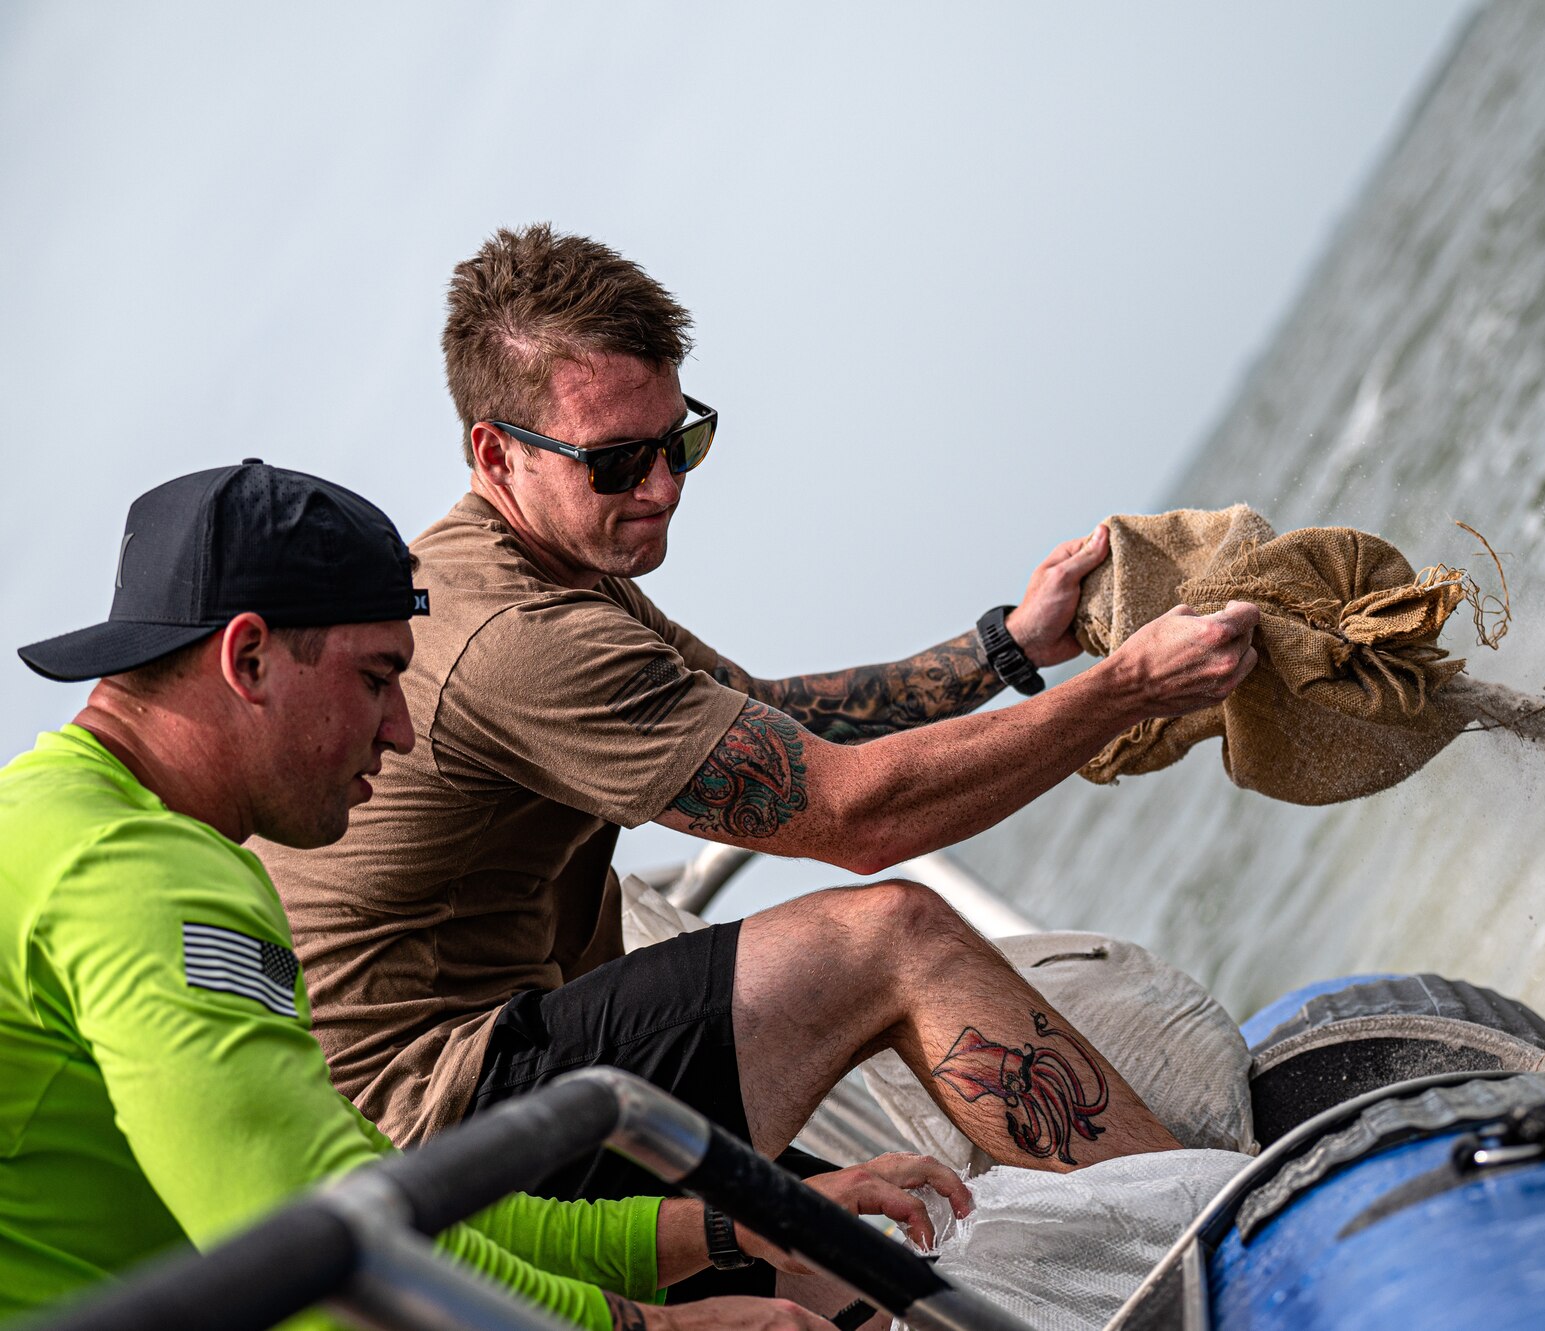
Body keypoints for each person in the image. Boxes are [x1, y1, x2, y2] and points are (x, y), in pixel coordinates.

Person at [258, 224, 1260, 1299]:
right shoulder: (517, 636)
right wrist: (1125, 690)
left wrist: (1005, 648)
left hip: (502, 1084)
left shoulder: (550, 567)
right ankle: (1219, 1264)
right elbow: (854, 817)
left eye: (677, 440)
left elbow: (771, 722)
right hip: (454, 1134)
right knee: (889, 936)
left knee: (879, 1272)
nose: (661, 486)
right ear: (494, 452)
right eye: (615, 460)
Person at [2, 461, 967, 1331]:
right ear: (247, 659)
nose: (401, 731)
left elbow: (395, 1200)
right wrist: (653, 1329)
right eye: (379, 678)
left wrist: (731, 1230)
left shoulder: (59, 825)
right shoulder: (134, 870)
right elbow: (318, 1251)